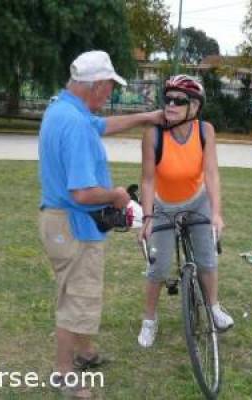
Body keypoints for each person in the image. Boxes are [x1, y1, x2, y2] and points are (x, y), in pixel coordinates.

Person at [39, 50, 163, 398]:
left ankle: (85, 351)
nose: (110, 93)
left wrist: (146, 117)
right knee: (76, 297)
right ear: (93, 85)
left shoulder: (62, 109)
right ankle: (64, 375)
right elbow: (82, 193)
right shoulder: (75, 124)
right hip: (74, 225)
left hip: (58, 222)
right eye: (109, 86)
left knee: (75, 291)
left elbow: (104, 125)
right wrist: (118, 196)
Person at [137, 75, 234, 348]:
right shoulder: (153, 134)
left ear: (194, 107)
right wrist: (147, 217)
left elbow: (212, 173)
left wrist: (216, 213)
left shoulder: (205, 132)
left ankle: (214, 308)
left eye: (179, 100)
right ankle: (149, 320)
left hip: (197, 200)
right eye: (167, 98)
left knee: (207, 258)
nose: (170, 104)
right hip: (164, 204)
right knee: (158, 267)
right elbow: (147, 180)